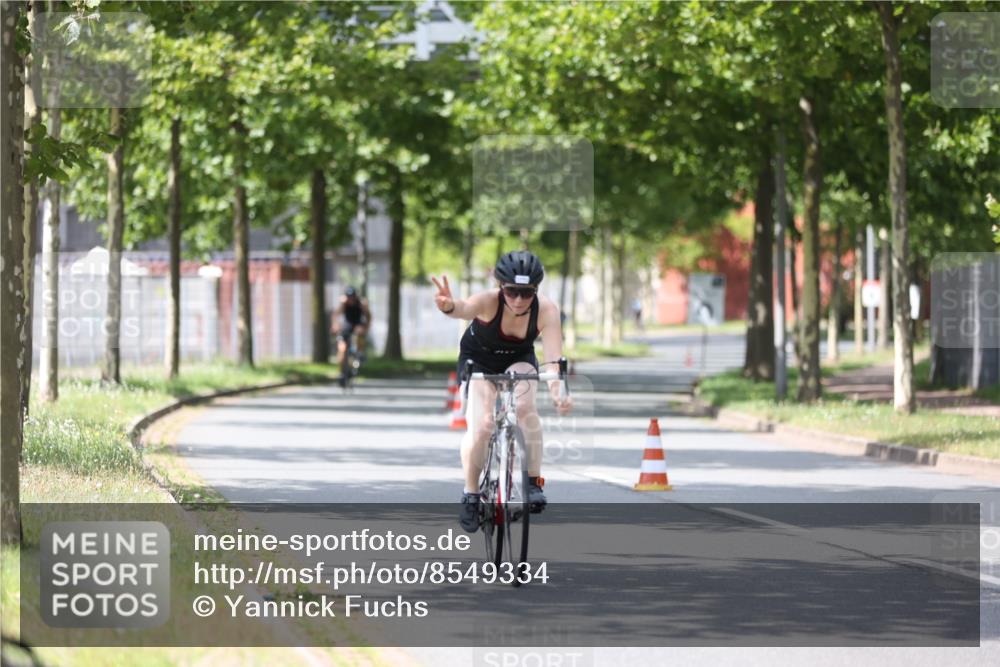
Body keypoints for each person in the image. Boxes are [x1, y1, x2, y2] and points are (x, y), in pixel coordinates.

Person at [431, 250, 573, 533]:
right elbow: (462, 308)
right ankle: (471, 494)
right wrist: (448, 305)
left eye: (526, 292)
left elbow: (553, 361)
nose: (519, 300)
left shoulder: (546, 310)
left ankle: (533, 482)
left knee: (524, 409)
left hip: (518, 359)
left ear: (535, 291)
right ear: (500, 287)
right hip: (479, 360)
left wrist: (558, 392)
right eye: (511, 291)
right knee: (482, 425)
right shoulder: (487, 301)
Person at [331, 287, 371, 369]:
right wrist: (335, 325)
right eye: (349, 297)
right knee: (342, 344)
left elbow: (368, 316)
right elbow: (336, 315)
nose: (351, 299)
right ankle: (343, 368)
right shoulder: (344, 303)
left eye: (352, 297)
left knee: (359, 331)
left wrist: (367, 327)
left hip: (358, 323)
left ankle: (359, 352)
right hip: (348, 323)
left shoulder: (361, 303)